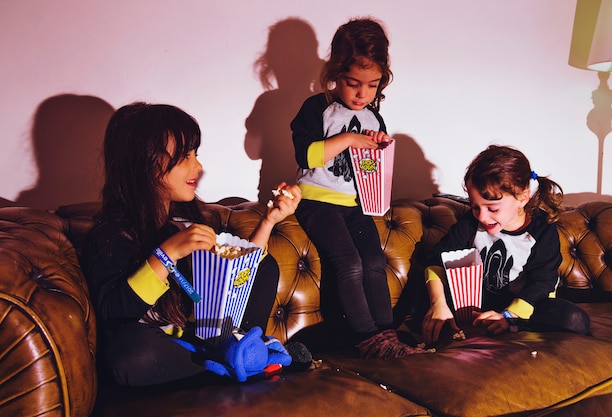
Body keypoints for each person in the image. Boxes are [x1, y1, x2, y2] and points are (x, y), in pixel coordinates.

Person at [80, 102, 301, 386]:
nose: (197, 166)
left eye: (196, 154)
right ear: (143, 161)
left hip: (209, 337)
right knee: (130, 353)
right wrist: (168, 253)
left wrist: (270, 220)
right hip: (174, 350)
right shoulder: (110, 235)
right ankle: (243, 361)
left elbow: (234, 279)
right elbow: (114, 314)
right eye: (184, 156)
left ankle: (240, 353)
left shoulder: (188, 218)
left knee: (263, 264)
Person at [290, 17, 425, 359]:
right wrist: (350, 138)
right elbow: (307, 156)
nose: (363, 94)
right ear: (335, 74)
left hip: (355, 204)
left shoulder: (373, 117)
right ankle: (368, 338)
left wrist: (376, 148)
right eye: (353, 84)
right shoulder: (316, 108)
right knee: (348, 261)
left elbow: (365, 170)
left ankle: (386, 335)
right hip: (317, 200)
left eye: (373, 85)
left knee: (374, 260)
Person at [421, 145, 590, 345]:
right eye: (475, 207)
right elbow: (437, 259)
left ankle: (513, 327)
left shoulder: (542, 231)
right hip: (481, 305)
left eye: (492, 208)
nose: (482, 217)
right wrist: (438, 302)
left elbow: (542, 283)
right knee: (428, 291)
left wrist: (508, 317)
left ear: (522, 198)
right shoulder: (471, 222)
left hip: (526, 306)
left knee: (572, 319)